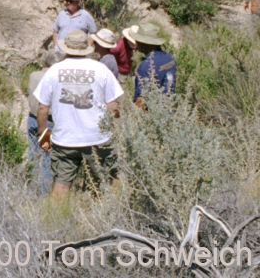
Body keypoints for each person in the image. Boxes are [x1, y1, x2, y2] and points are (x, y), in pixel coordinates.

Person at [35, 29, 123, 198]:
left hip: (65, 139)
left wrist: (42, 133)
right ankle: (102, 219)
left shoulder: (54, 71)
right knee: (103, 184)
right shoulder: (101, 69)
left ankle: (56, 221)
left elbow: (42, 108)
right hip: (97, 138)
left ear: (66, 47)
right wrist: (112, 126)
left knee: (61, 185)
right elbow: (113, 107)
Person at [27, 50, 64, 194]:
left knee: (33, 155)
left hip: (31, 118)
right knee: (47, 157)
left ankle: (31, 187)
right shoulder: (56, 79)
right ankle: (43, 192)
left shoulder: (33, 75)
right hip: (46, 121)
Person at [132, 23, 176, 109]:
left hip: (152, 115)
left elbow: (141, 100)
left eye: (138, 41)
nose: (136, 43)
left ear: (146, 43)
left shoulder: (146, 66)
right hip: (168, 110)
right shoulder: (170, 59)